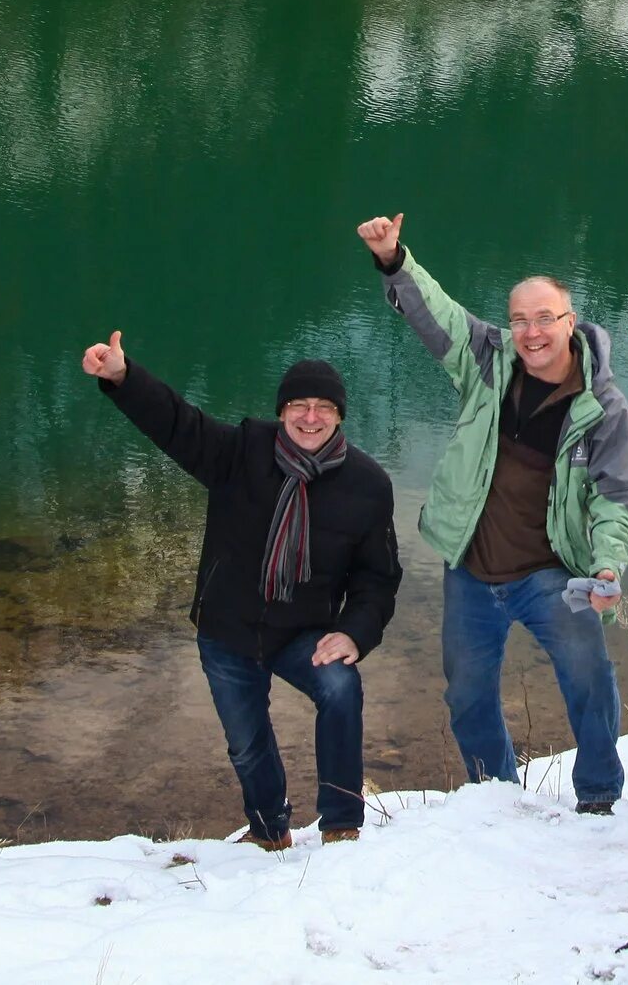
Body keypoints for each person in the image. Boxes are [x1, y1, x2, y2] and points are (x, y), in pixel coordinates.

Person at [355, 212, 628, 814]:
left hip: (551, 575)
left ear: (571, 322)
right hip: (472, 570)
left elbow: (616, 496)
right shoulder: (487, 362)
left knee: (589, 680)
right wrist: (393, 257)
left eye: (545, 319)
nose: (531, 332)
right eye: (519, 320)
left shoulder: (603, 407)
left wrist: (609, 566)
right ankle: (495, 800)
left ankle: (597, 797)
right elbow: (435, 312)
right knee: (466, 695)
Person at [81, 328, 400, 849]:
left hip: (304, 631)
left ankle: (342, 822)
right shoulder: (241, 451)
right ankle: (269, 831)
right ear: (282, 411)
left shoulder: (367, 485)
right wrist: (122, 376)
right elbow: (175, 423)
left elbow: (378, 578)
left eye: (323, 407)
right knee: (247, 744)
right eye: (298, 405)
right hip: (229, 629)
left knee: (341, 689)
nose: (310, 417)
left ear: (340, 415)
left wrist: (354, 633)